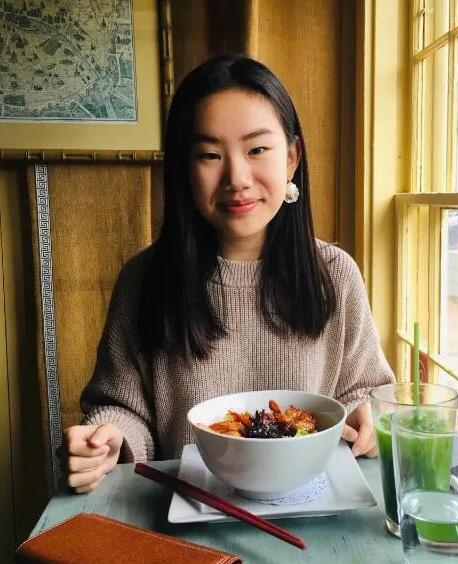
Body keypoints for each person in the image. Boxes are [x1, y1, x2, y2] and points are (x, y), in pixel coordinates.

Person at [63, 54, 394, 493]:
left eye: (257, 150)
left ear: (291, 158)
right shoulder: (144, 279)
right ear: (184, 169)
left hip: (310, 506)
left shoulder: (335, 274)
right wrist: (108, 440)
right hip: (189, 507)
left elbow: (364, 392)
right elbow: (123, 409)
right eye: (210, 155)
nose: (236, 178)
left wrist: (365, 415)